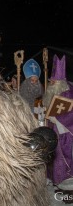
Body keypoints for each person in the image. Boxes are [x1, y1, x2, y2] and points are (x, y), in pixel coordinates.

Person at [43, 54, 73, 189]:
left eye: (54, 81)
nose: (51, 83)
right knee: (51, 154)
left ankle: (64, 179)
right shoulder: (51, 92)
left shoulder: (67, 93)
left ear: (61, 82)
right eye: (51, 81)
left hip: (64, 132)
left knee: (62, 156)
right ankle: (52, 177)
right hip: (52, 129)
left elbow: (70, 113)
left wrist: (57, 119)